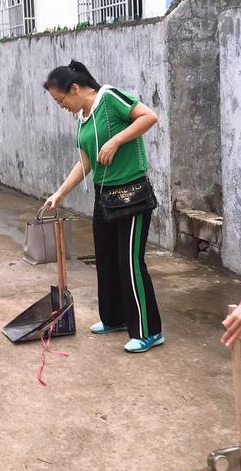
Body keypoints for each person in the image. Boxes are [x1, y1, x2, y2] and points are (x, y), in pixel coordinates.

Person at [43, 60, 163, 353]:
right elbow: (86, 161)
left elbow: (149, 116)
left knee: (131, 262)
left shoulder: (109, 97)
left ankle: (149, 331)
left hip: (132, 194)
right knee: (107, 260)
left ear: (74, 88)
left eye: (61, 101)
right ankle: (114, 318)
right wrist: (60, 194)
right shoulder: (83, 117)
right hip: (104, 195)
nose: (62, 107)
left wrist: (116, 141)